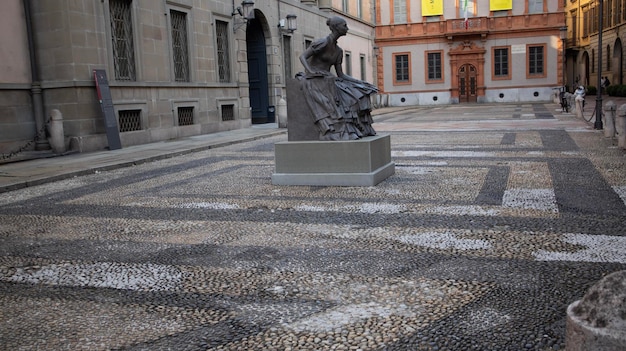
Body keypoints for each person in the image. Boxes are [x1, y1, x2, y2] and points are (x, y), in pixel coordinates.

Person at [297, 16, 378, 141]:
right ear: (336, 27)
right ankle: (341, 130)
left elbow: (341, 75)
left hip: (329, 79)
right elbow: (303, 56)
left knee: (359, 94)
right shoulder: (322, 42)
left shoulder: (338, 51)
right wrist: (311, 71)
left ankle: (362, 128)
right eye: (344, 25)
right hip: (315, 79)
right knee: (343, 98)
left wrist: (361, 83)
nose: (347, 28)